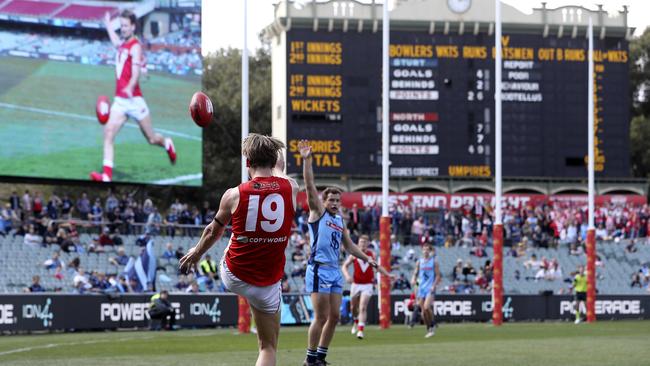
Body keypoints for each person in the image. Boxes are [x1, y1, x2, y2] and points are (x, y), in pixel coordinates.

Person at [180, 134, 298, 366]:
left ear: (247, 163)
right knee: (268, 347)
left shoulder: (233, 194)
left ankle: (241, 236)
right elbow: (281, 171)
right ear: (275, 160)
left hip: (234, 275)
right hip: (268, 283)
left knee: (233, 229)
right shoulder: (291, 188)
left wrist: (197, 253)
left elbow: (212, 232)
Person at [299, 140, 378, 366]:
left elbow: (350, 246)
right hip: (319, 270)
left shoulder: (338, 220)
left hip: (334, 272)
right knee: (321, 316)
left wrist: (367, 259)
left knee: (335, 317)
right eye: (331, 200)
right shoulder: (318, 213)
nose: (334, 203)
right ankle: (309, 358)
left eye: (337, 200)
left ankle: (320, 357)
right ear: (323, 202)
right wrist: (307, 160)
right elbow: (310, 184)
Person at [90, 10, 176, 182]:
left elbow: (136, 72)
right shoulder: (123, 44)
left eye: (125, 26)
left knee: (151, 138)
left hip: (134, 100)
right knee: (108, 133)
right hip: (120, 101)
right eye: (120, 26)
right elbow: (115, 42)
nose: (122, 29)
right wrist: (108, 24)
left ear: (133, 26)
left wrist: (129, 87)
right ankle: (107, 175)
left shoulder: (135, 46)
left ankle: (166, 143)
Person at [341, 235, 393, 339]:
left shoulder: (371, 255)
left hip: (367, 285)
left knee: (363, 306)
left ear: (368, 244)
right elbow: (344, 266)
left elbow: (377, 267)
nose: (363, 244)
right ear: (358, 243)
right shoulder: (354, 255)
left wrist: (388, 275)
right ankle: (356, 320)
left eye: (365, 242)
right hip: (356, 284)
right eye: (361, 242)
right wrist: (347, 275)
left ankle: (360, 331)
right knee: (353, 308)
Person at [410, 243, 441, 338]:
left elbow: (438, 275)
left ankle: (432, 323)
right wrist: (413, 278)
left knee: (427, 307)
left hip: (429, 288)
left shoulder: (434, 262)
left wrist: (434, 285)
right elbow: (416, 273)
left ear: (430, 251)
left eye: (428, 249)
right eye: (424, 249)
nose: (426, 251)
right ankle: (429, 329)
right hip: (421, 288)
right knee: (423, 311)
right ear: (422, 250)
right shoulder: (419, 262)